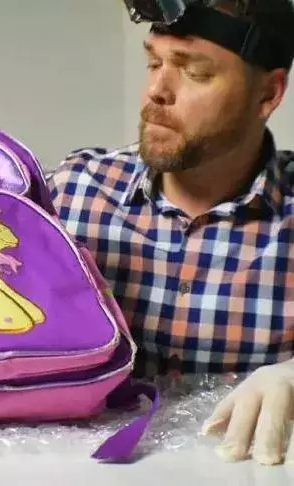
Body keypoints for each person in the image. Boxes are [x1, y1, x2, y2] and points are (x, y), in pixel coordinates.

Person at [48, 0, 294, 465]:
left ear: (268, 94)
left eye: (194, 72)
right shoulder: (73, 194)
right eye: (153, 63)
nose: (156, 91)